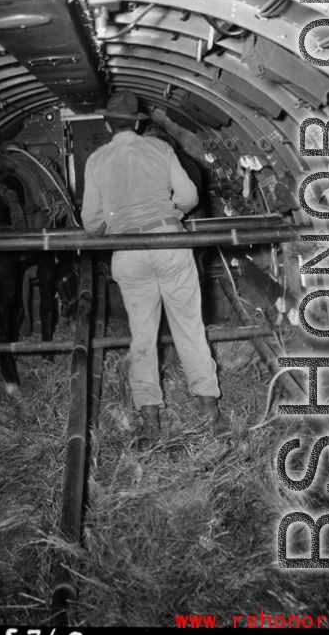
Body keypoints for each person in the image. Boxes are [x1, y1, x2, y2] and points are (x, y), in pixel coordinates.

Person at [81, 90, 230, 445]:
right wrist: (170, 216)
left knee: (142, 336)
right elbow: (189, 197)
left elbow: (91, 223)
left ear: (107, 124)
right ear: (137, 123)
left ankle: (150, 420)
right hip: (170, 245)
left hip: (128, 252)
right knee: (190, 327)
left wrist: (118, 223)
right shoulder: (161, 149)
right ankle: (209, 411)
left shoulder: (97, 160)